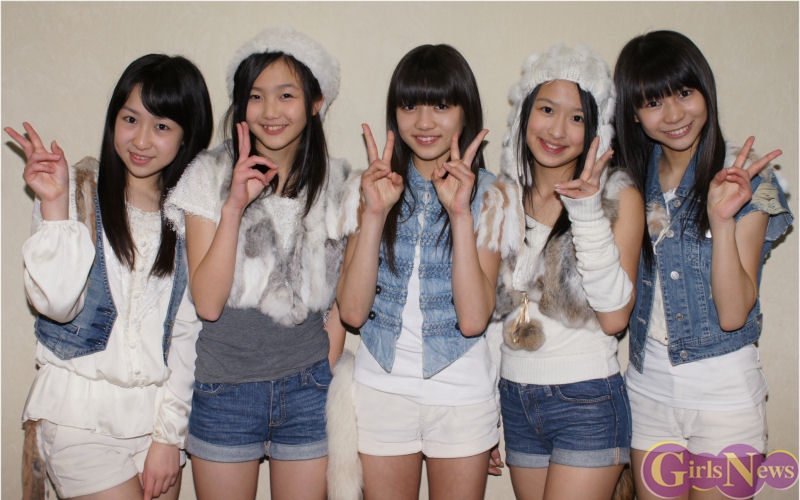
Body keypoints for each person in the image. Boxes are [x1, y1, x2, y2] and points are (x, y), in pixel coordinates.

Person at [5, 54, 213, 500]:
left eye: (162, 126)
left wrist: (168, 437)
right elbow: (57, 305)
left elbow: (186, 334)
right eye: (130, 119)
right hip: (79, 418)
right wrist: (54, 206)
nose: (141, 139)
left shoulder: (188, 218)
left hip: (155, 424)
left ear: (187, 135)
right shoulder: (78, 193)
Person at [163, 26, 352, 500]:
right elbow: (207, 303)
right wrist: (233, 206)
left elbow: (343, 305)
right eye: (255, 96)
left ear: (315, 102)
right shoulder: (207, 174)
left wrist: (321, 371)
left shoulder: (339, 185)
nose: (270, 111)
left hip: (308, 391)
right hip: (224, 390)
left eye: (286, 95)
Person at [613, 30, 793, 500]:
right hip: (648, 392)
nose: (673, 114)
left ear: (705, 91)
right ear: (634, 113)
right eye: (653, 102)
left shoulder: (745, 177)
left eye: (684, 93)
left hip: (724, 395)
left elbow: (733, 314)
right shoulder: (630, 182)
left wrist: (722, 219)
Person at [334, 43, 515, 500]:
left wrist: (460, 215)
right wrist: (375, 213)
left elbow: (473, 320)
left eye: (441, 105)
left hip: (461, 394)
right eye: (410, 105)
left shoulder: (491, 195)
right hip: (381, 390)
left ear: (465, 111)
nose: (424, 121)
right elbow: (352, 313)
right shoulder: (369, 188)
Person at [492, 43, 644, 500]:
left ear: (595, 128)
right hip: (515, 396)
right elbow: (486, 319)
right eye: (546, 109)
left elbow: (615, 318)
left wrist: (587, 212)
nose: (558, 129)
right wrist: (484, 414)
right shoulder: (502, 198)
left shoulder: (618, 197)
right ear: (524, 114)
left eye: (577, 117)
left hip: (586, 399)